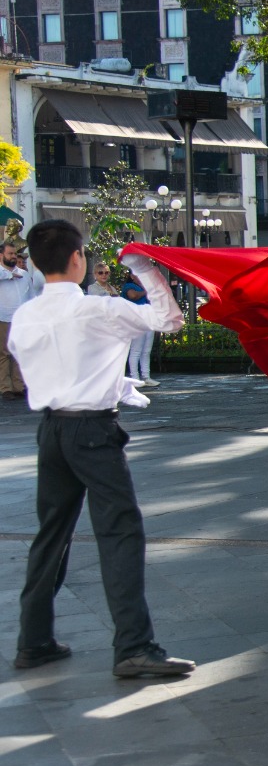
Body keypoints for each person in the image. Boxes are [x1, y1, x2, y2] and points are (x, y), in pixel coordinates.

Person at [9, 219, 195, 678]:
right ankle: (133, 645)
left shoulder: (26, 315)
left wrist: (108, 379)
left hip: (51, 428)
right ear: (78, 260)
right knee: (119, 532)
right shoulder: (97, 309)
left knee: (51, 532)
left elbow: (39, 362)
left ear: (33, 262)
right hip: (92, 431)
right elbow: (169, 320)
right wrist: (146, 271)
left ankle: (34, 640)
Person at [0, 237, 43, 400]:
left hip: (21, 319)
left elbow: (31, 295)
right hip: (3, 317)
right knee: (4, 353)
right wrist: (10, 276)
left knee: (19, 352)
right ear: (1, 255)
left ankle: (19, 385)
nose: (12, 256)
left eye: (14, 253)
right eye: (9, 253)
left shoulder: (23, 274)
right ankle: (5, 387)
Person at [120, 270, 158, 387]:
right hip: (137, 320)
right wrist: (146, 292)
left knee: (146, 350)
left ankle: (146, 376)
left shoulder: (144, 286)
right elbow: (133, 295)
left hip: (148, 320)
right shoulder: (129, 286)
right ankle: (135, 377)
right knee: (136, 350)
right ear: (132, 276)